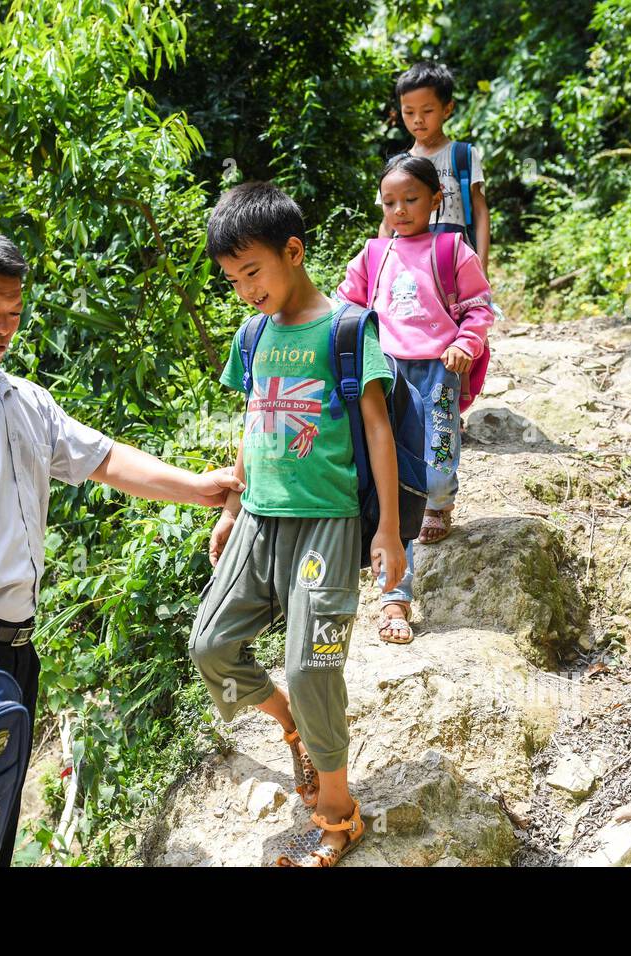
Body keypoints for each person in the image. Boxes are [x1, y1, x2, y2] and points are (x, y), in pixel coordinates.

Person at [0, 224, 241, 866]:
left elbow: (104, 459)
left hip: (14, 653)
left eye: (13, 312)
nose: (4, 327)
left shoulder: (26, 401)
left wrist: (202, 488)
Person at [189, 182, 405, 866]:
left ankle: (339, 814)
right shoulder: (252, 335)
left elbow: (378, 431)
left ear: (293, 251)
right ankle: (291, 728)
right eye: (232, 279)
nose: (245, 290)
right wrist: (230, 507)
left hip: (328, 525)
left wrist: (389, 532)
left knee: (314, 663)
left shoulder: (348, 329)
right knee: (211, 647)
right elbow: (252, 422)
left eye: (253, 272)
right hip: (258, 518)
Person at [339, 153, 494, 644]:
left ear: (435, 199)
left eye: (410, 199)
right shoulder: (371, 254)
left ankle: (441, 503)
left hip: (439, 369)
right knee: (397, 481)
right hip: (384, 373)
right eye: (390, 201)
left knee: (440, 459)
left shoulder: (452, 250)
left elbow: (478, 308)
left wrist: (464, 344)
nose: (400, 209)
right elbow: (348, 306)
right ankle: (394, 600)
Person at [378, 61, 492, 276]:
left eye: (427, 110)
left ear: (447, 109)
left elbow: (480, 211)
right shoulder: (396, 167)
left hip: (456, 261)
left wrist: (482, 267)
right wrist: (381, 271)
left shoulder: (463, 155)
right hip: (407, 268)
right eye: (409, 112)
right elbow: (386, 223)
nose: (418, 120)